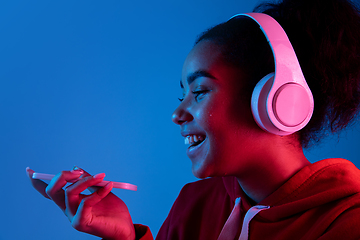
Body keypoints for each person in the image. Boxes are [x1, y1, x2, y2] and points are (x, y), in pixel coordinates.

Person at [27, 0, 360, 239]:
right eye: (181, 95)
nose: (177, 114)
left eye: (200, 92)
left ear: (276, 100)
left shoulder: (348, 222)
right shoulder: (195, 203)